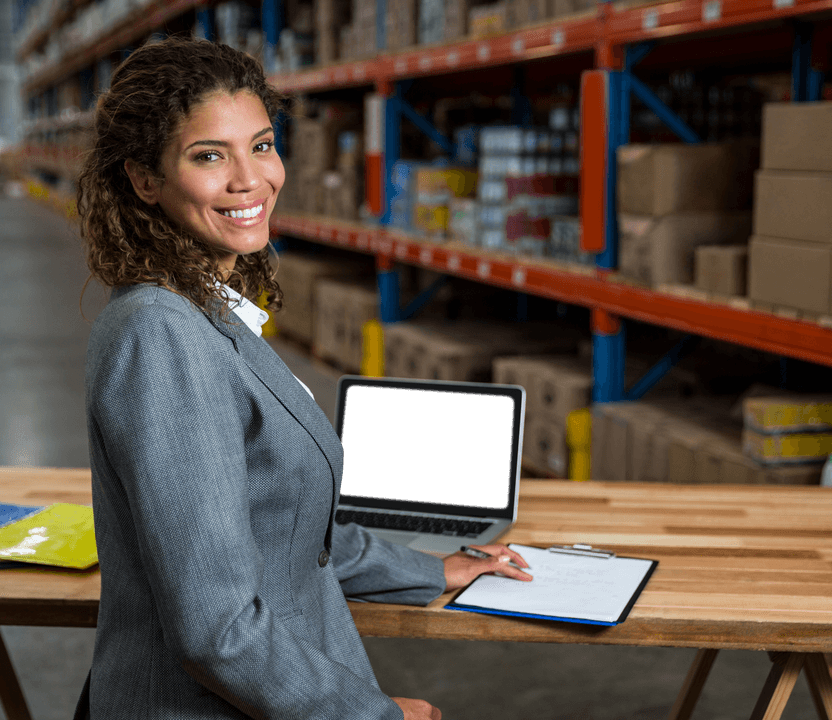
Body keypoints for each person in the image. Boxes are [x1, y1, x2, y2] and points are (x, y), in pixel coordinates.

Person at [76, 37, 531, 720]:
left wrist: (435, 570)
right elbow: (216, 631)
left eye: (260, 146)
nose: (249, 180)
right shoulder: (162, 336)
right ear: (145, 178)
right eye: (209, 156)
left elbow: (290, 530)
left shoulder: (207, 309)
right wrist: (375, 717)